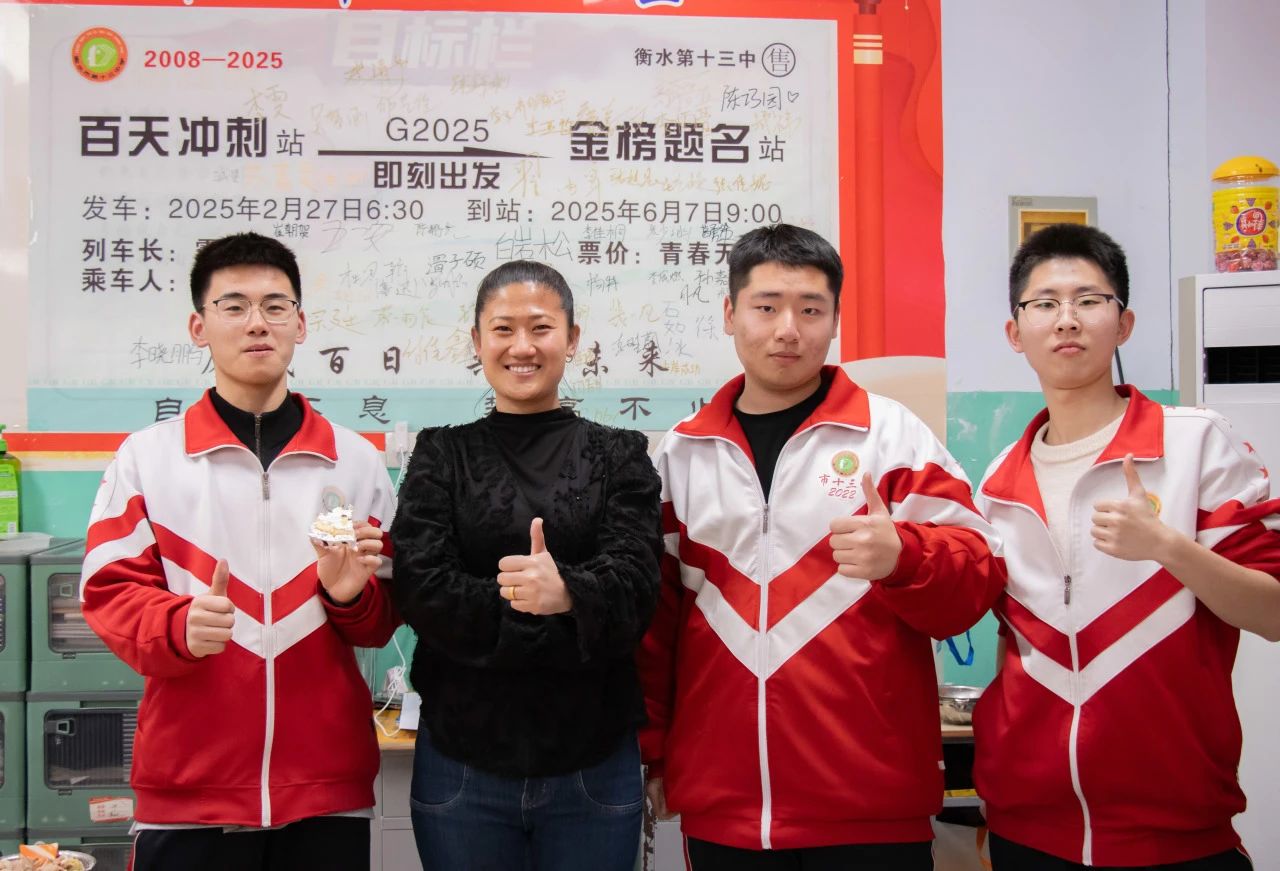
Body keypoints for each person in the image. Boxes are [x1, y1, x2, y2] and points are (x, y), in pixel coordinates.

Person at [638, 224, 1006, 870]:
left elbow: (976, 582)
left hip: (871, 808)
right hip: (725, 809)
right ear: (729, 314)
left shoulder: (891, 436)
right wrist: (655, 751)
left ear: (835, 320)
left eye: (810, 310)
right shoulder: (684, 452)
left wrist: (905, 557)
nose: (788, 329)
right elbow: (655, 625)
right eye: (766, 307)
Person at [81, 232, 398, 871]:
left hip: (325, 793)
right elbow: (109, 593)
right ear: (199, 327)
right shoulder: (147, 459)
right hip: (187, 794)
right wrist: (176, 625)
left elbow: (384, 616)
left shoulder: (355, 461)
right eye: (234, 306)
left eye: (276, 306)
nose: (257, 323)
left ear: (300, 325)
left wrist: (350, 598)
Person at [972, 223, 1280, 870]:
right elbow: (1010, 642)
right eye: (1044, 303)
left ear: (1124, 323)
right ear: (1015, 332)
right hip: (1027, 830)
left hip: (1178, 832)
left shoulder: (1194, 444)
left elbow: (1273, 611)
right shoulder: (997, 485)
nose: (1067, 319)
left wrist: (1169, 547)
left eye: (1089, 300)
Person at [389, 260, 662, 871]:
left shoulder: (621, 454)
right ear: (477, 341)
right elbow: (421, 587)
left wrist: (567, 591)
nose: (522, 347)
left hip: (593, 760)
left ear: (572, 338)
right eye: (503, 329)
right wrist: (543, 604)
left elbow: (639, 586)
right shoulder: (441, 453)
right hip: (463, 759)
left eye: (540, 328)